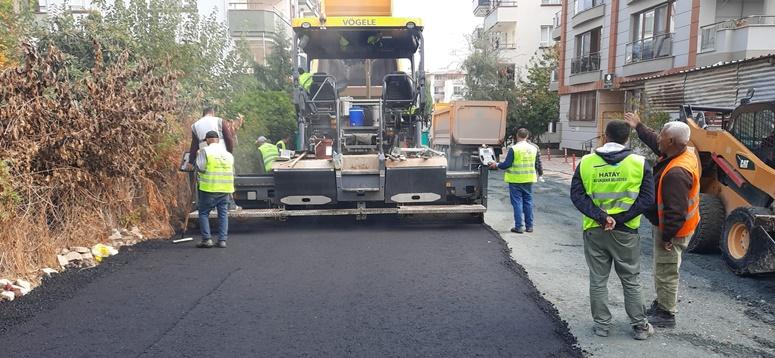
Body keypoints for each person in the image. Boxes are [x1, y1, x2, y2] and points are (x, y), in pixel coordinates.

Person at [570, 120, 655, 340]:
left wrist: (602, 217)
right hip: (626, 232)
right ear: (627, 137)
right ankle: (639, 326)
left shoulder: (587, 162)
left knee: (598, 279)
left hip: (595, 230)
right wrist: (619, 219)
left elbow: (577, 196)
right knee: (631, 279)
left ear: (605, 136)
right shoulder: (640, 163)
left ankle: (602, 326)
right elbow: (647, 199)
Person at [624, 113, 701, 329]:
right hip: (677, 226)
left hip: (674, 230)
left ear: (671, 142)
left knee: (666, 270)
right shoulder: (681, 151)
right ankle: (662, 304)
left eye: (662, 137)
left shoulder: (676, 172)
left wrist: (668, 236)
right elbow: (655, 140)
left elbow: (675, 211)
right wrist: (639, 126)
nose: (658, 139)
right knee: (663, 267)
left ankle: (666, 314)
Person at [489, 128, 543, 233]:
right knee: (528, 202)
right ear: (527, 136)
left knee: (517, 203)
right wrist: (540, 174)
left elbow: (506, 164)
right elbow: (537, 163)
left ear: (517, 136)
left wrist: (496, 164)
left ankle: (519, 227)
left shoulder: (514, 149)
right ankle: (529, 226)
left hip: (515, 180)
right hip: (529, 179)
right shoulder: (533, 148)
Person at [195, 131, 235, 249]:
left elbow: (200, 168)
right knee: (223, 214)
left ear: (207, 140)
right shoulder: (228, 155)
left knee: (203, 213)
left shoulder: (204, 151)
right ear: (218, 140)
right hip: (225, 189)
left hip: (209, 188)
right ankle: (222, 240)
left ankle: (207, 240)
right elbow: (232, 171)